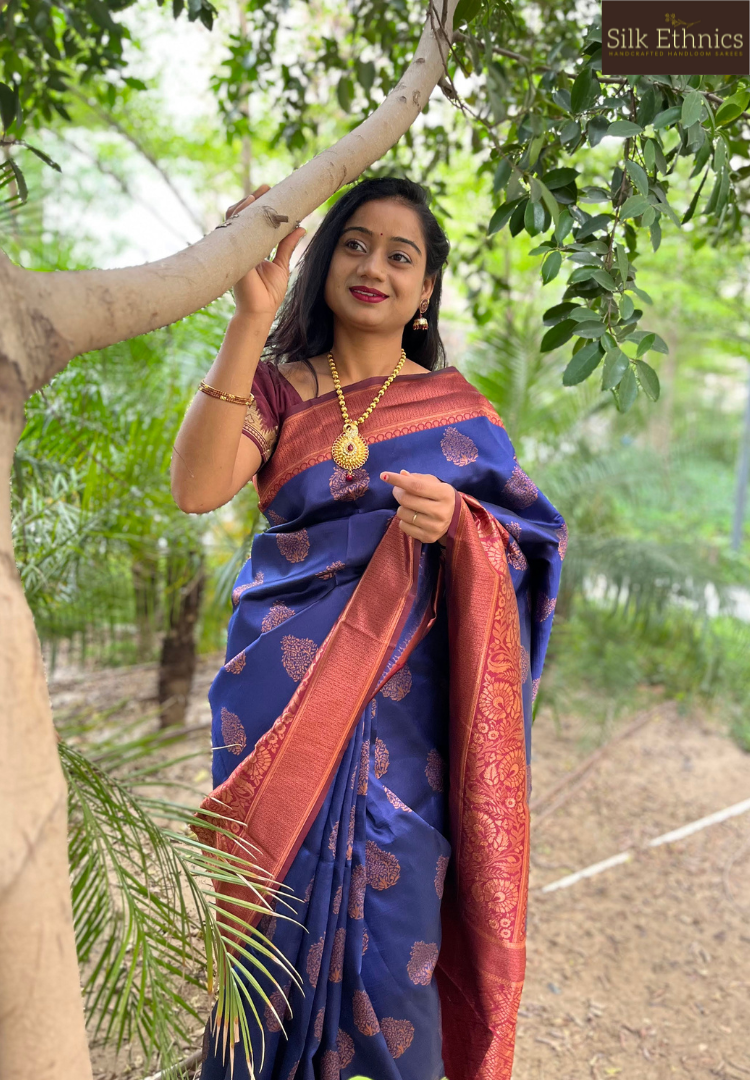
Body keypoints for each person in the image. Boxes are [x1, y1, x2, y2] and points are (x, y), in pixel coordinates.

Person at [173, 176, 567, 1080]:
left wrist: (462, 531)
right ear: (323, 260)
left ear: (426, 289)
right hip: (280, 703)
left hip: (407, 732)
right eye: (355, 243)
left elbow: (531, 547)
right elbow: (197, 489)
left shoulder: (459, 411)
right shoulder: (276, 390)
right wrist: (247, 317)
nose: (375, 266)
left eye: (402, 255)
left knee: (395, 958)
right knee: (266, 945)